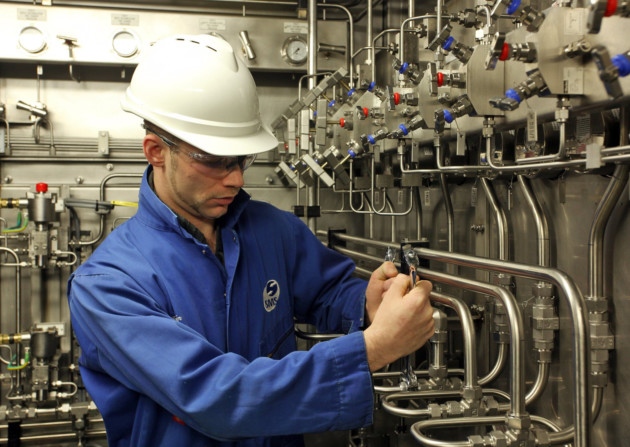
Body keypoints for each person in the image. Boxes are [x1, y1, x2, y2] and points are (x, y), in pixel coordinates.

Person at [67, 34, 435, 447]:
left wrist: (367, 303)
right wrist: (373, 348)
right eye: (214, 161)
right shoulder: (108, 284)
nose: (237, 179)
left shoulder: (271, 230)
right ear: (156, 151)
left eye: (242, 159)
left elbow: (328, 291)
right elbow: (214, 398)